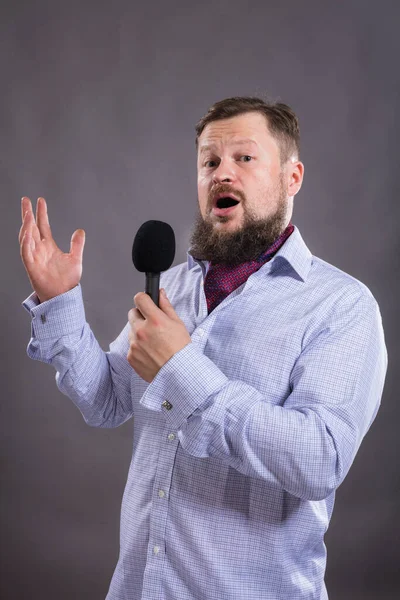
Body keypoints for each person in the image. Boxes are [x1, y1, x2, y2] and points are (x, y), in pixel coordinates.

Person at [19, 96, 388, 600]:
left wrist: (180, 367)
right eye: (209, 162)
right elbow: (106, 399)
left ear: (292, 177)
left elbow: (317, 460)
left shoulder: (341, 306)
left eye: (245, 158)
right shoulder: (171, 288)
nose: (222, 174)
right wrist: (59, 302)